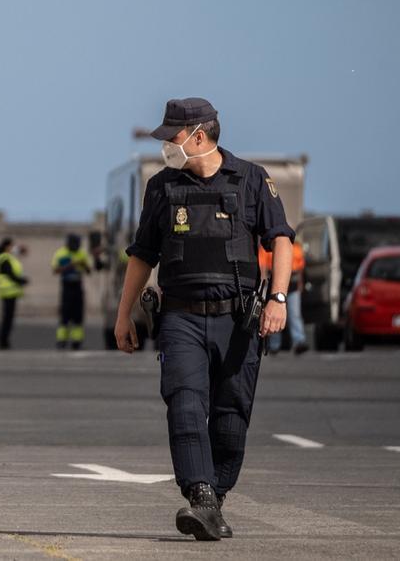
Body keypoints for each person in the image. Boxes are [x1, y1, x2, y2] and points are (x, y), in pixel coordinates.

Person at [114, 98, 293, 541]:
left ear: (199, 135)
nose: (166, 146)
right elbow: (142, 255)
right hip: (181, 318)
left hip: (238, 319)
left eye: (172, 137)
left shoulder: (251, 179)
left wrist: (279, 299)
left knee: (232, 415)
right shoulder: (161, 187)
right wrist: (124, 316)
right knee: (185, 403)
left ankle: (216, 497)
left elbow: (281, 240)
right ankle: (200, 496)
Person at [261, 242, 309, 355]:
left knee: (294, 314)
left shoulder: (297, 247)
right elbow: (263, 266)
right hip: (275, 286)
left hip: (293, 285)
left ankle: (299, 341)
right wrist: (263, 285)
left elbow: (301, 268)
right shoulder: (269, 245)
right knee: (274, 313)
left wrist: (300, 284)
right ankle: (274, 344)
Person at [51, 234, 91, 349]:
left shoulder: (82, 253)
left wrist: (83, 264)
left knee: (78, 315)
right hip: (66, 286)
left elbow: (88, 270)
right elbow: (55, 270)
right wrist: (69, 265)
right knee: (65, 314)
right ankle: (61, 340)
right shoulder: (60, 253)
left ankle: (76, 341)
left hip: (78, 285)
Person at [0, 238, 28, 350]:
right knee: (7, 319)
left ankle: (4, 341)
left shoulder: (8, 258)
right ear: (7, 246)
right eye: (12, 245)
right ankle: (3, 341)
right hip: (8, 292)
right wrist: (21, 281)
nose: (14, 247)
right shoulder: (4, 258)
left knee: (8, 318)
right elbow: (10, 274)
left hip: (11, 292)